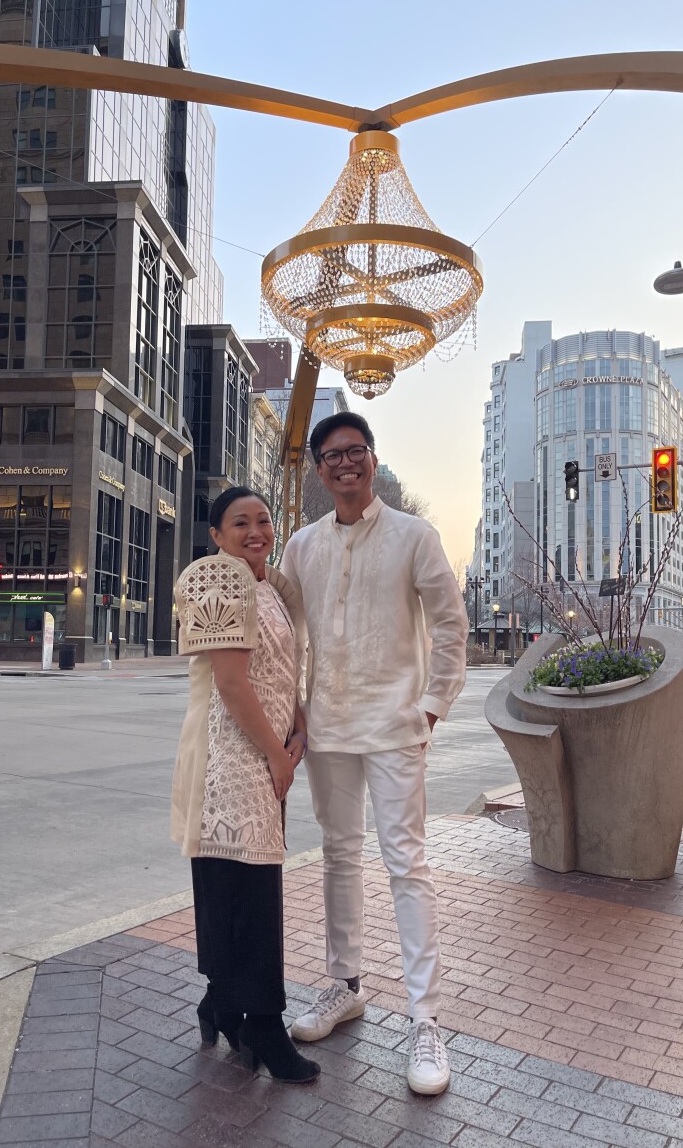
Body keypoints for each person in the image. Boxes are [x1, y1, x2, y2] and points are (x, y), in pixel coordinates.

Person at [280, 412, 467, 1095]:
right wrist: (293, 707)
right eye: (332, 456)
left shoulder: (414, 536)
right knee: (337, 852)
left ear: (372, 458)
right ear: (319, 469)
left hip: (393, 726)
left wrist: (430, 705)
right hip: (328, 725)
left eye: (355, 452)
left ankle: (426, 1017)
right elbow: (287, 630)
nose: (345, 464)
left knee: (406, 862)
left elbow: (450, 624)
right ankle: (344, 983)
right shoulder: (302, 546)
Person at [171, 486, 319, 1085]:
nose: (255, 531)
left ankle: (220, 1005)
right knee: (244, 894)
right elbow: (232, 684)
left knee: (245, 889)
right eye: (240, 523)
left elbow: (285, 669)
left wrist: (299, 725)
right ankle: (261, 1022)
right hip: (230, 759)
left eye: (262, 520)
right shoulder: (218, 579)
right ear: (216, 534)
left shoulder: (272, 587)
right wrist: (277, 759)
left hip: (265, 752)